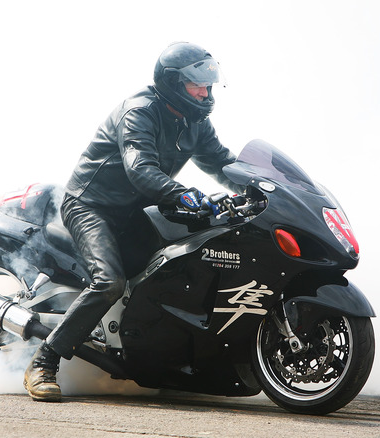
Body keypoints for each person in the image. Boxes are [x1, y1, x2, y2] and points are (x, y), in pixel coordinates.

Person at [23, 42, 240, 402]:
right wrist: (182, 193)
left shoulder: (196, 122)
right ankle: (44, 361)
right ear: (172, 83)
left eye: (208, 85)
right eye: (196, 86)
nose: (205, 93)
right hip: (91, 207)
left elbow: (221, 162)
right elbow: (140, 169)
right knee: (109, 282)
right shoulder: (139, 112)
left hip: (135, 210)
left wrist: (260, 186)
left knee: (181, 262)